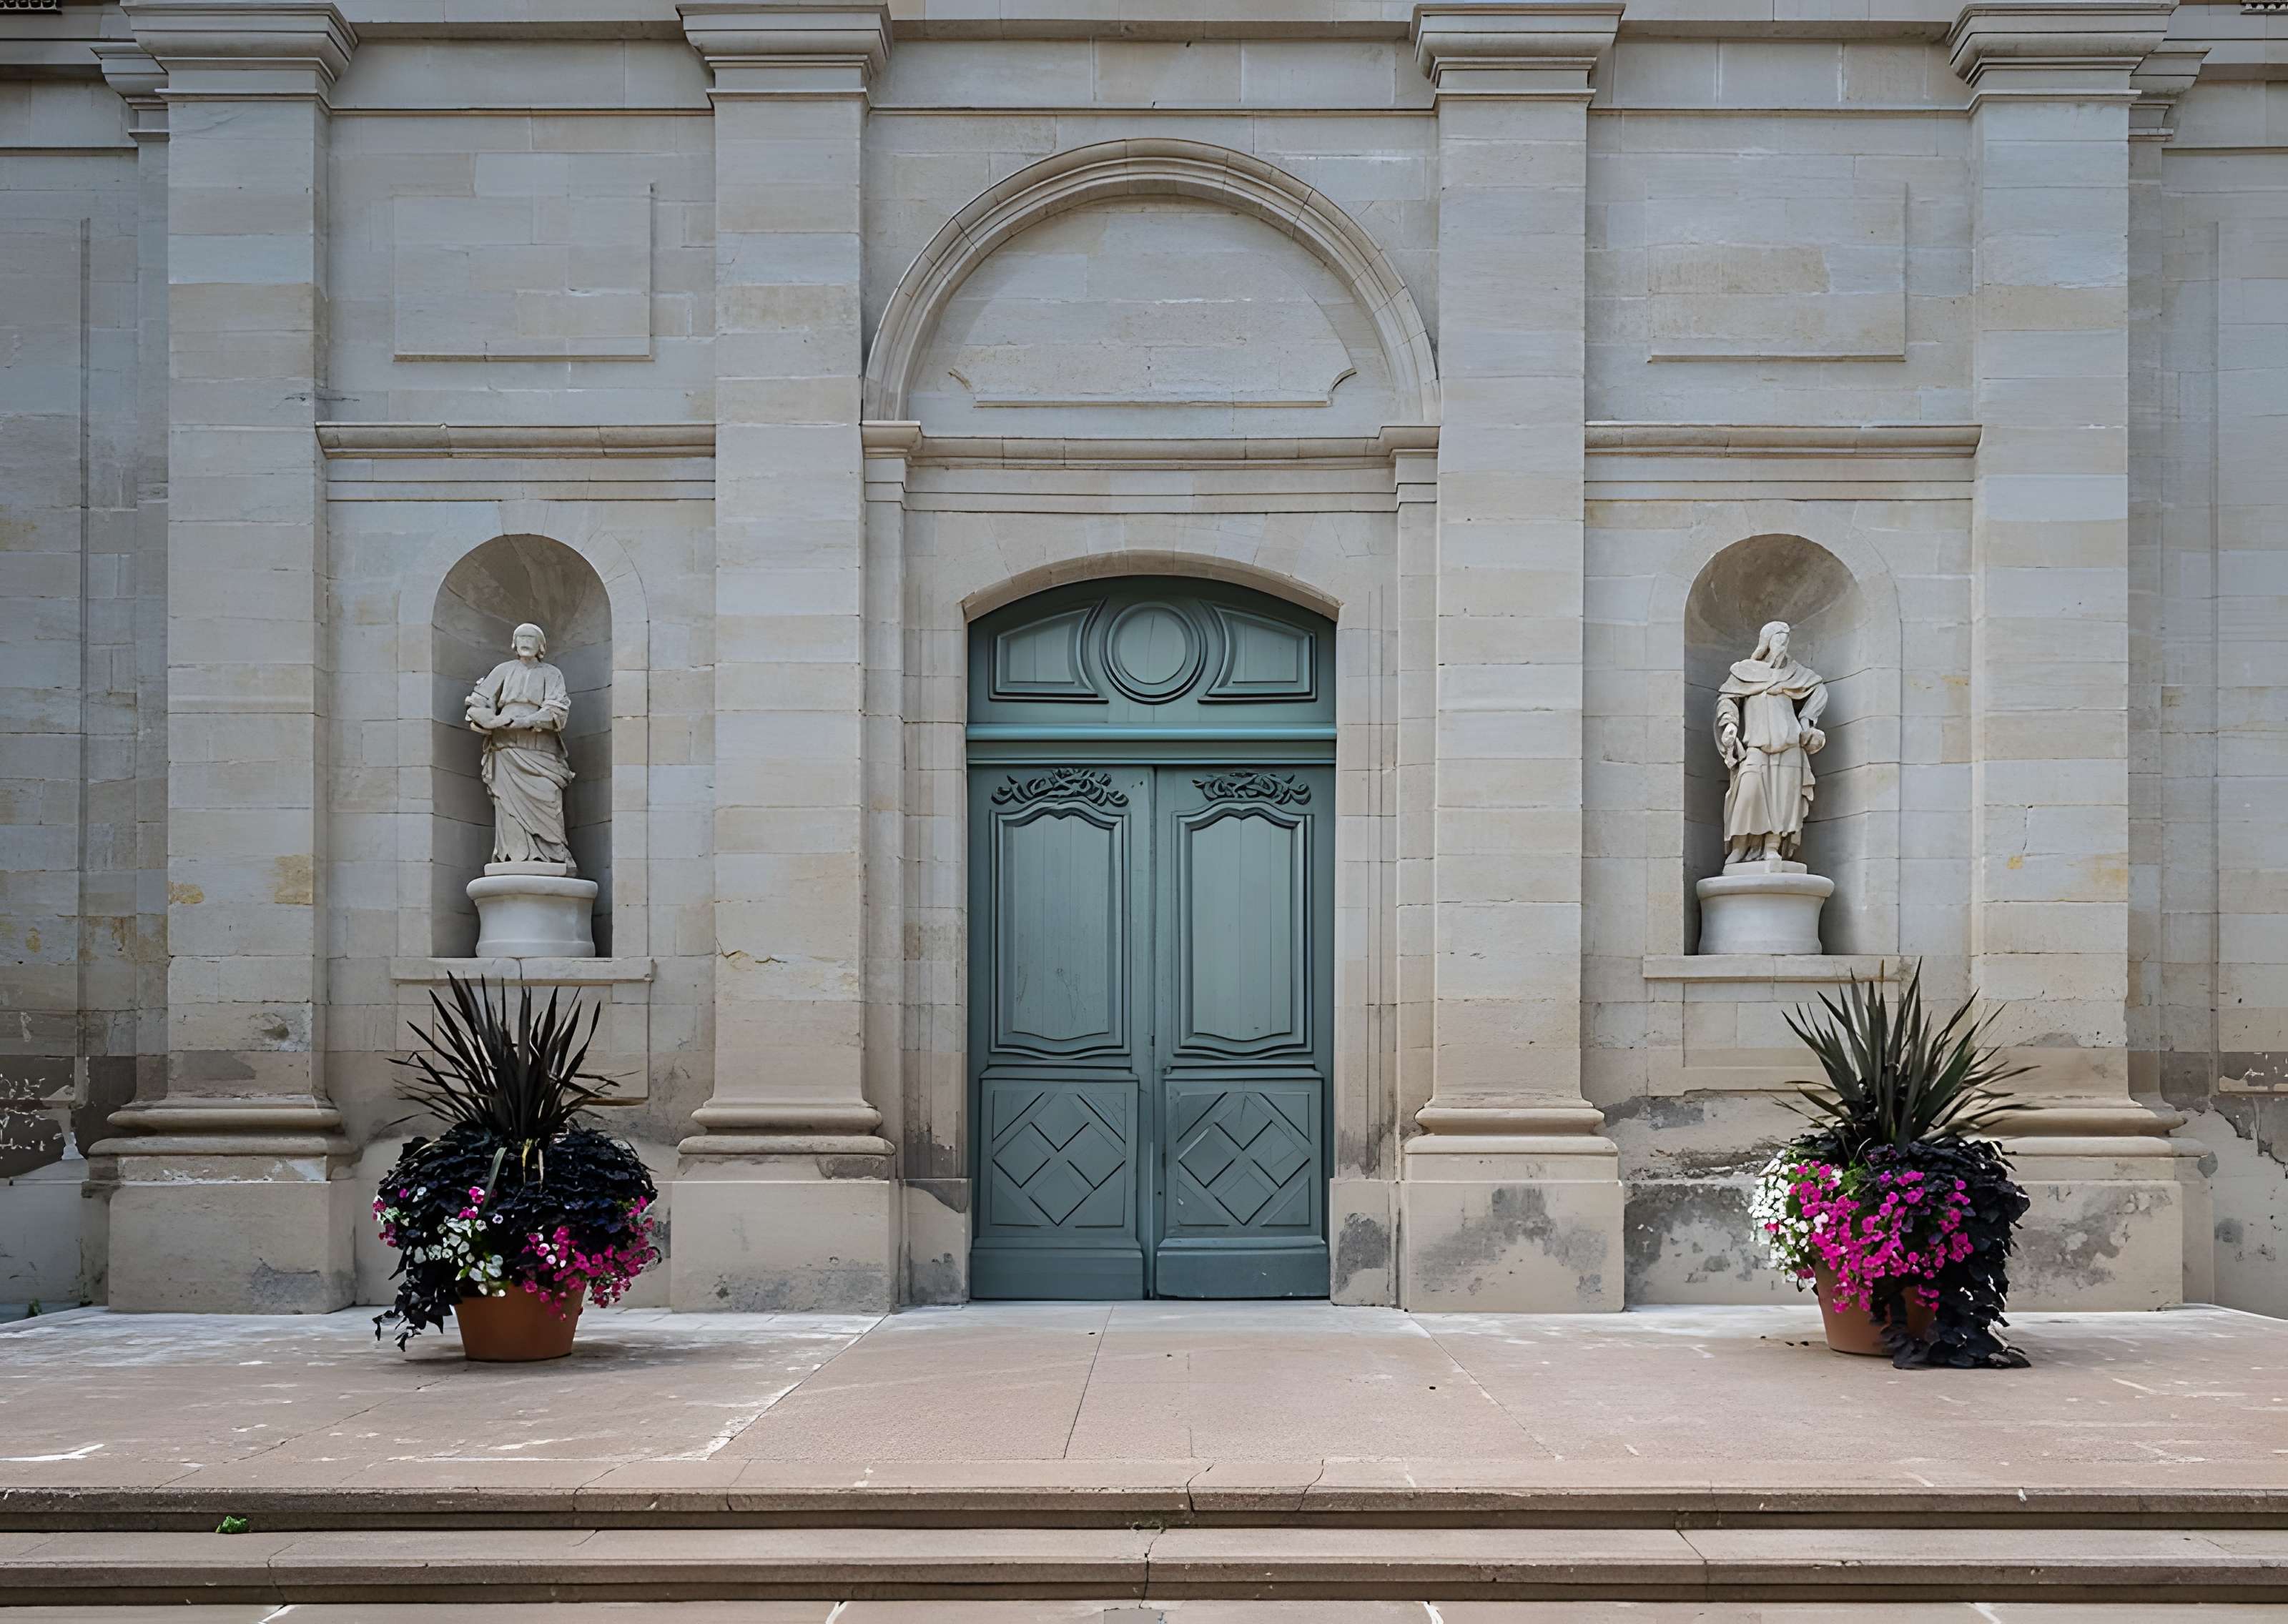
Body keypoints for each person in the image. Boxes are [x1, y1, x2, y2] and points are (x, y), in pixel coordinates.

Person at [1714, 620, 1828, 867]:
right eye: (1778, 639)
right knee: (1747, 793)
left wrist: (1807, 721)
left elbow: (1819, 690)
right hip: (1756, 744)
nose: (1783, 644)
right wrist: (1730, 723)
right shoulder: (1746, 672)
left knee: (1784, 797)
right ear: (1766, 642)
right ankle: (1740, 846)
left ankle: (1773, 846)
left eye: (1786, 640)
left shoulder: (1795, 673)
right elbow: (1727, 700)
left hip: (1789, 746)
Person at [465, 622, 576, 868]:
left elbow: (558, 709)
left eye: (531, 637)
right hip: (506, 750)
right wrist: (492, 719)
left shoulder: (552, 674)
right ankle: (514, 857)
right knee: (508, 808)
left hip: (540, 750)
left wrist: (528, 720)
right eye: (521, 637)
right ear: (514, 643)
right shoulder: (503, 670)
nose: (526, 641)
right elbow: (478, 703)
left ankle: (553, 855)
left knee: (548, 798)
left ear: (541, 646)